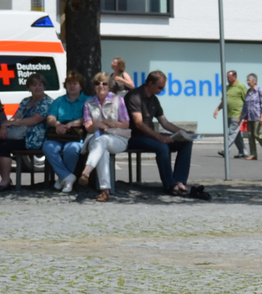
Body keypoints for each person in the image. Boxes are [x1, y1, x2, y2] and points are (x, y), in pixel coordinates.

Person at [126, 70, 195, 196]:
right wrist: (159, 137)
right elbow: (138, 124)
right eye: (160, 87)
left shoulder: (154, 100)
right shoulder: (134, 96)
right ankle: (170, 185)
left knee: (186, 143)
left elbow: (165, 123)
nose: (162, 90)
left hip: (150, 136)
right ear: (150, 83)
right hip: (135, 136)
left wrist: (184, 133)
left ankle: (179, 181)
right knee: (162, 146)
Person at [78, 72, 130, 202]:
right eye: (97, 83)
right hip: (95, 138)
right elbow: (88, 127)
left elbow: (126, 124)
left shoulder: (119, 100)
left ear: (109, 86)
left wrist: (112, 124)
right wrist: (97, 124)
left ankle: (86, 172)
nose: (101, 86)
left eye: (104, 83)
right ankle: (105, 190)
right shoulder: (88, 103)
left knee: (103, 141)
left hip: (117, 137)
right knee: (102, 148)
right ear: (94, 86)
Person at [0, 74, 52, 191]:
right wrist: (4, 126)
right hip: (20, 135)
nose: (37, 87)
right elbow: (15, 116)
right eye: (34, 85)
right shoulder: (26, 101)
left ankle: (5, 181)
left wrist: (12, 123)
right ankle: (6, 178)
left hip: (35, 138)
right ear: (28, 87)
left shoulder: (47, 102)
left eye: (40, 85)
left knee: (4, 146)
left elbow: (34, 120)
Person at [44, 72, 90, 192]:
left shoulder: (87, 100)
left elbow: (88, 117)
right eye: (69, 84)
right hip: (59, 132)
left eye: (75, 83)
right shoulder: (59, 101)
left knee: (72, 149)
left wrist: (72, 124)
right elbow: (50, 117)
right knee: (48, 147)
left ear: (81, 86)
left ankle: (62, 179)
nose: (72, 86)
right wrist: (57, 124)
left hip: (76, 133)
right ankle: (67, 177)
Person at [213, 70, 248, 158]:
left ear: (235, 77)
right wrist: (217, 109)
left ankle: (225, 150)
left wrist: (245, 114)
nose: (227, 79)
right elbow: (224, 101)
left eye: (229, 77)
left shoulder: (241, 86)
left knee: (231, 133)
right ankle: (243, 152)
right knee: (236, 135)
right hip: (229, 114)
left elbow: (247, 100)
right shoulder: (227, 88)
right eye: (227, 77)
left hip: (237, 114)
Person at [241, 73, 262, 160]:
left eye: (249, 80)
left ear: (255, 81)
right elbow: (245, 105)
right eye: (247, 80)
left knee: (257, 134)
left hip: (258, 116)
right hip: (250, 116)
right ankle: (253, 154)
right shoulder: (248, 92)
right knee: (250, 135)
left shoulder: (259, 90)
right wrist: (241, 116)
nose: (247, 82)